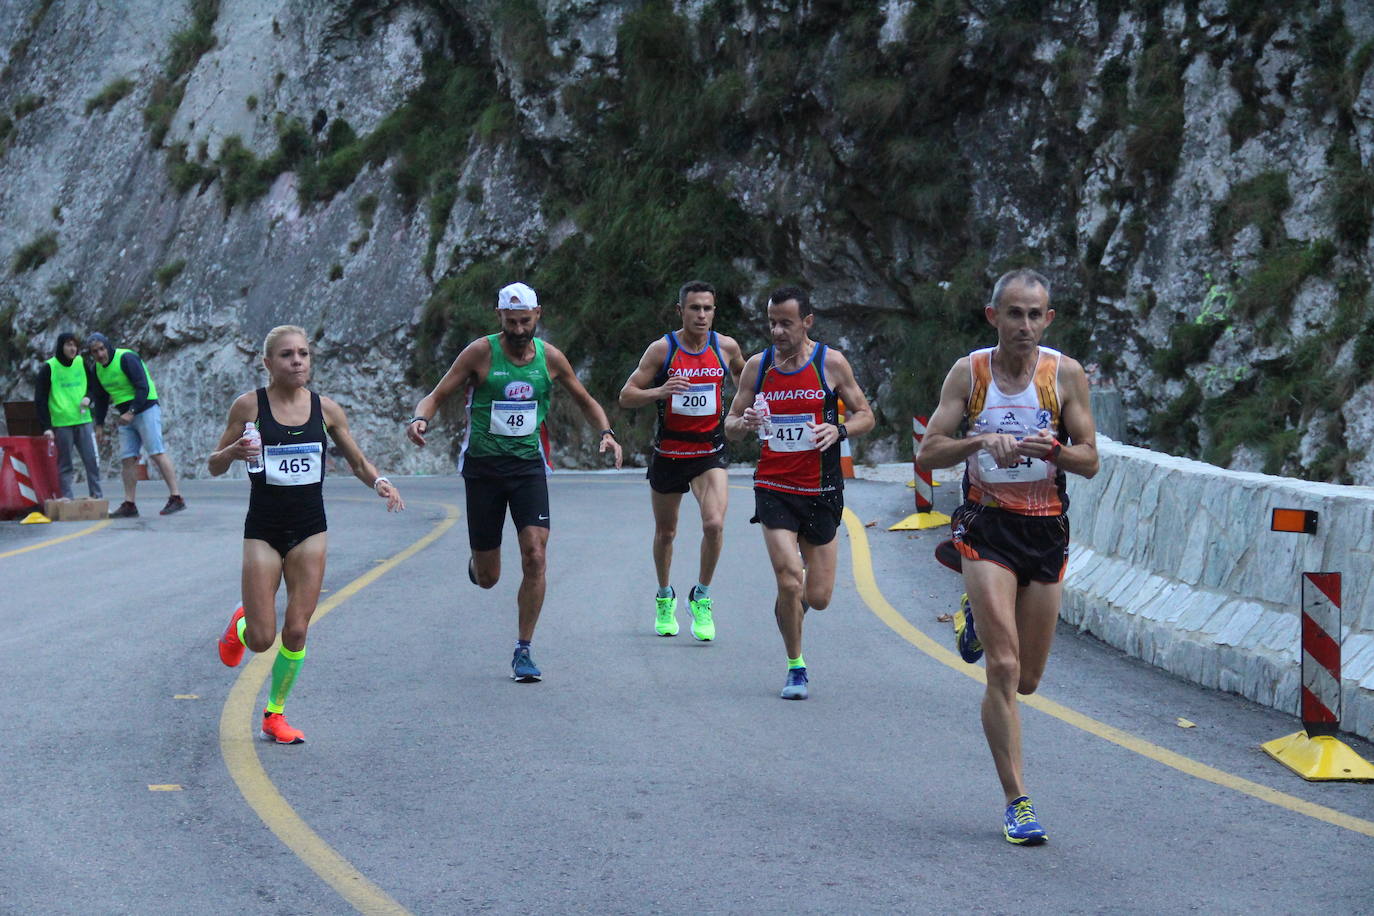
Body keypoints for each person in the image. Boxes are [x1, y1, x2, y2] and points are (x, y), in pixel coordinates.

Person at [915, 268, 1099, 845]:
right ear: (993, 316)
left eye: (1035, 314)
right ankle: (1018, 802)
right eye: (1013, 313)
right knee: (1003, 667)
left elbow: (1091, 459)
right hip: (986, 526)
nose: (1024, 324)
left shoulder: (1064, 374)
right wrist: (977, 441)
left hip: (1045, 531)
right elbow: (929, 452)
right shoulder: (970, 374)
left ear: (1048, 319)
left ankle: (972, 616)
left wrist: (1059, 452)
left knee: (1030, 681)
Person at [407, 281, 623, 682]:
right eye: (511, 322)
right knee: (489, 579)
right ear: (499, 318)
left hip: (528, 468)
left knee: (536, 555)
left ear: (537, 316)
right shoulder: (480, 353)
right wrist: (420, 419)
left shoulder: (550, 358)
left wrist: (606, 433)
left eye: (526, 321)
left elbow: (585, 399)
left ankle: (523, 649)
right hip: (484, 470)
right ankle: (478, 565)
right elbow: (436, 395)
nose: (520, 329)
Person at [209, 325, 404, 744]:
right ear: (268, 364)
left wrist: (380, 482)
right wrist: (233, 453)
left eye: (303, 354)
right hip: (263, 529)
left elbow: (357, 461)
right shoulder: (249, 407)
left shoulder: (327, 410)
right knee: (262, 639)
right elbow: (212, 465)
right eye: (286, 355)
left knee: (296, 630)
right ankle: (241, 626)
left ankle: (274, 715)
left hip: (310, 529)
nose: (297, 361)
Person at [724, 286, 874, 700]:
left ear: (807, 322)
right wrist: (747, 421)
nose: (777, 330)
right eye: (771, 322)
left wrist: (838, 429)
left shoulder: (831, 363)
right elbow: (730, 425)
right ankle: (796, 667)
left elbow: (866, 415)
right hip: (774, 485)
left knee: (819, 597)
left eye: (786, 323)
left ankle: (794, 606)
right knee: (789, 579)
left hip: (822, 488)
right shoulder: (759, 366)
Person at [618, 280, 746, 640]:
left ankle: (701, 597)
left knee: (714, 525)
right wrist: (661, 390)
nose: (701, 315)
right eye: (694, 308)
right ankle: (664, 596)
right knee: (666, 532)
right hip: (670, 453)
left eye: (707, 308)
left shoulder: (726, 347)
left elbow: (746, 384)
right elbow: (626, 395)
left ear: (714, 312)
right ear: (681, 311)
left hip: (709, 451)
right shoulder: (663, 350)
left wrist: (749, 411)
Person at [87, 332, 186, 517]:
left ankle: (176, 497)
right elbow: (100, 399)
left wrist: (131, 412)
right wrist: (99, 424)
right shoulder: (97, 369)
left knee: (156, 452)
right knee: (127, 459)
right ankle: (129, 504)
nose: (100, 354)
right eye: (95, 352)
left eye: (101, 349)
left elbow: (143, 386)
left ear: (107, 346)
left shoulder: (126, 358)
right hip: (125, 415)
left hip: (145, 408)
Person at [34, 332, 104, 501]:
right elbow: (40, 399)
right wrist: (47, 428)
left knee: (91, 461)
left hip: (83, 420)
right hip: (62, 423)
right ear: (61, 346)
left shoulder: (81, 362)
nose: (72, 348)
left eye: (75, 345)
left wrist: (89, 397)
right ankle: (67, 499)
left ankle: (97, 498)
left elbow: (95, 386)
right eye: (68, 345)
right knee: (65, 465)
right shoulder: (50, 367)